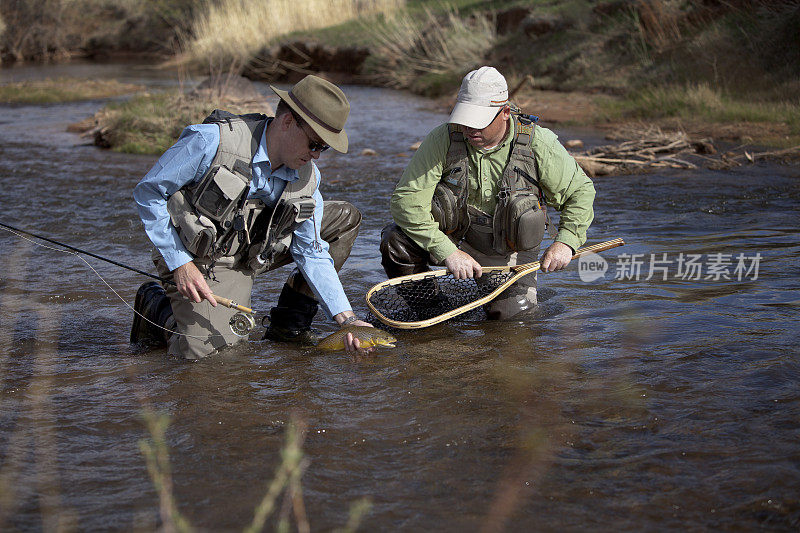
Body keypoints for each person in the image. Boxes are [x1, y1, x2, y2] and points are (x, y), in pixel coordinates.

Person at [131, 74, 373, 359]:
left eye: (324, 148)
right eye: (315, 144)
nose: (317, 156)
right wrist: (179, 263)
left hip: (256, 250)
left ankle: (288, 325)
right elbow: (149, 192)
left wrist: (346, 319)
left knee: (342, 218)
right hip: (198, 256)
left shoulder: (309, 177)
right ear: (287, 123)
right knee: (216, 358)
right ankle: (158, 308)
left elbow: (311, 251)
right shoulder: (211, 141)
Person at [380, 66, 595, 319]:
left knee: (512, 324)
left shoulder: (538, 142)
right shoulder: (443, 139)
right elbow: (406, 201)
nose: (470, 129)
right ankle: (432, 312)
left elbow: (580, 192)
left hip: (508, 255)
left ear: (505, 113)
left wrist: (566, 242)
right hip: (452, 240)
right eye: (465, 119)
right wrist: (447, 252)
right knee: (396, 242)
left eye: (478, 122)